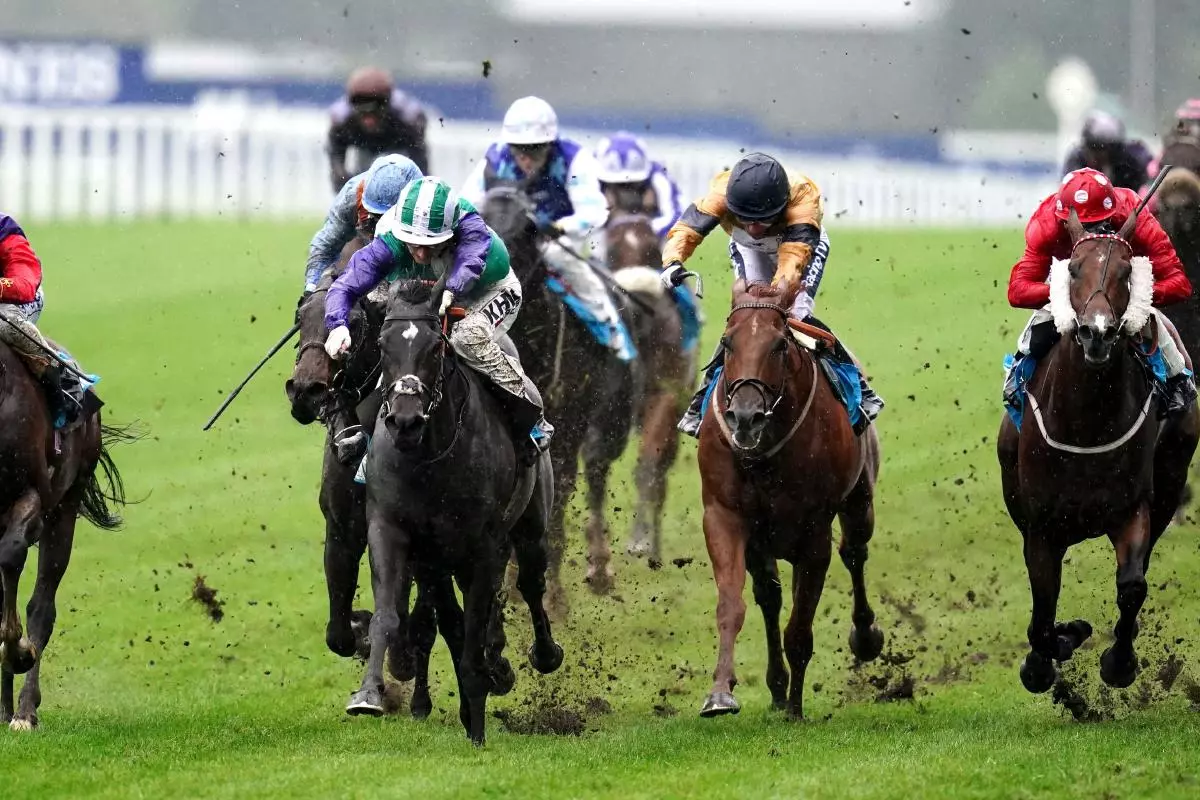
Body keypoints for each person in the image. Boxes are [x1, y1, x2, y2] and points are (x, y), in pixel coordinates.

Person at [323, 177, 554, 479]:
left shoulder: (473, 231)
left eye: (430, 244)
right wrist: (337, 325)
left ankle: (529, 413)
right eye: (413, 242)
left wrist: (452, 289)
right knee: (396, 336)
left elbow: (470, 261)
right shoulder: (388, 240)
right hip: (428, 287)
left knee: (465, 338)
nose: (420, 253)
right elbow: (346, 285)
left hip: (486, 290)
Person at [658, 152, 883, 437]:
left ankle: (860, 390)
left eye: (761, 219)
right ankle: (702, 401)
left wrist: (777, 297)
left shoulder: (803, 198)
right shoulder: (721, 191)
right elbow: (687, 229)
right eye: (745, 219)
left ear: (780, 206)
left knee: (796, 314)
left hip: (797, 247)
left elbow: (792, 261)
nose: (752, 228)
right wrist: (672, 262)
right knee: (744, 321)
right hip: (749, 251)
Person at [1003, 167, 1196, 415]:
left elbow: (1179, 283)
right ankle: (1016, 379)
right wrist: (1067, 290)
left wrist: (1131, 294)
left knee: (1151, 319)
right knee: (1042, 318)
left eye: (1097, 226)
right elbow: (1018, 290)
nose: (1089, 235)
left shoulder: (1135, 214)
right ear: (1064, 220)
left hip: (1122, 281)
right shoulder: (1046, 223)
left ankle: (1178, 380)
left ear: (1113, 215)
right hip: (1075, 283)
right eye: (1080, 227)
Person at [460, 96, 636, 361]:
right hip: (509, 239)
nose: (527, 159)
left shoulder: (574, 159)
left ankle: (611, 329)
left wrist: (559, 226)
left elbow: (594, 212)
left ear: (551, 143)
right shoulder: (495, 158)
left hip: (557, 241)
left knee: (560, 257)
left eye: (536, 149)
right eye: (520, 150)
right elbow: (467, 205)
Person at [0, 214, 100, 430]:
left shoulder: (5, 230)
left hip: (17, 300)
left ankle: (62, 377)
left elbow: (25, 285)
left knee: (5, 323)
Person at [302, 153, 423, 299]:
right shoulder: (350, 199)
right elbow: (324, 248)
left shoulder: (430, 208)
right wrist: (311, 290)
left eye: (390, 218)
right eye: (376, 217)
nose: (383, 225)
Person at [327, 67, 430, 192]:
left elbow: (421, 166)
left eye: (374, 110)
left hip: (398, 147)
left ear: (387, 103)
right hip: (364, 148)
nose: (369, 119)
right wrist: (342, 179)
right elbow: (336, 158)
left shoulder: (409, 119)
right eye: (362, 110)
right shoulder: (341, 120)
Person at [594, 131, 684, 239]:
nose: (626, 191)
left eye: (633, 185)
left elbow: (678, 217)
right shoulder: (589, 175)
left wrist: (645, 229)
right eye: (617, 185)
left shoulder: (658, 176)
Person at [1062, 110, 1153, 190]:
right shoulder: (1077, 161)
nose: (1099, 156)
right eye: (1094, 148)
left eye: (1105, 149)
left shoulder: (1131, 163)